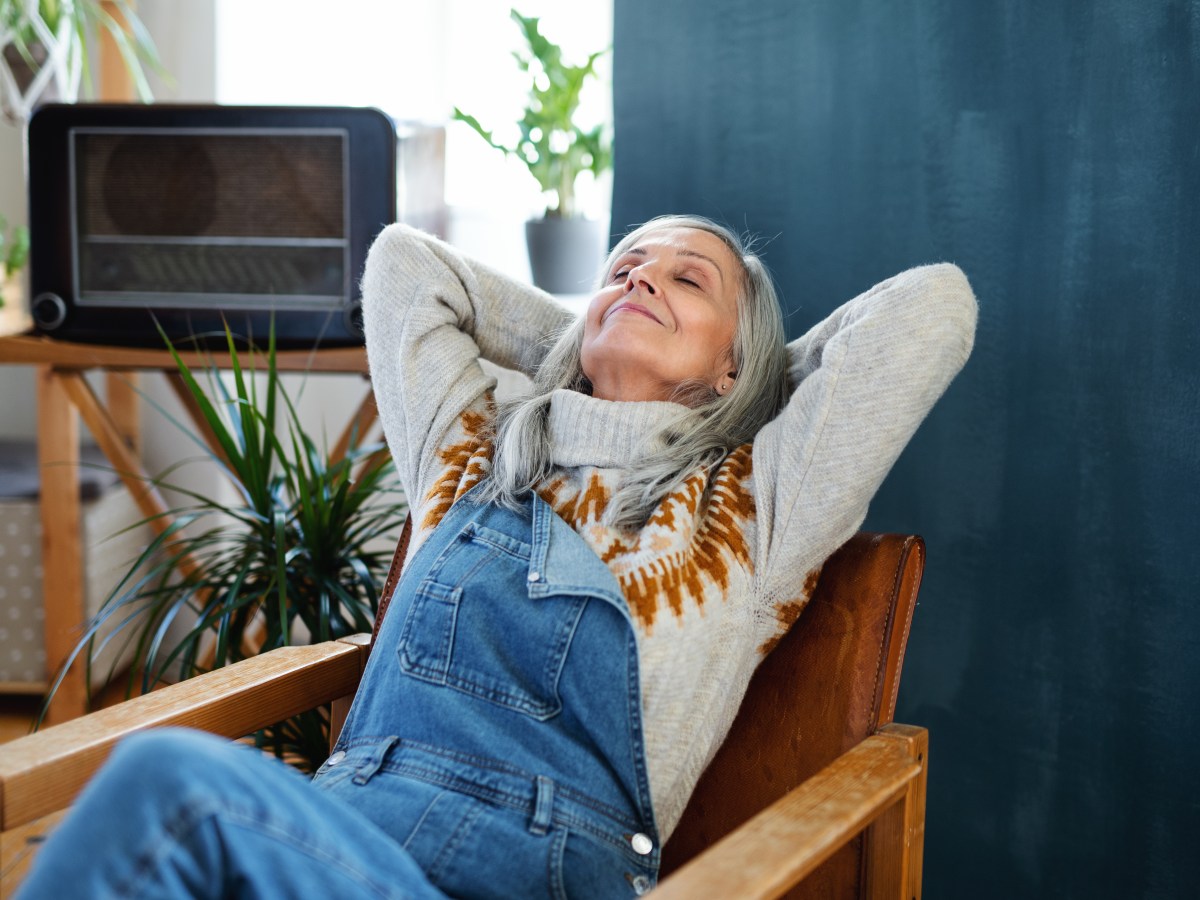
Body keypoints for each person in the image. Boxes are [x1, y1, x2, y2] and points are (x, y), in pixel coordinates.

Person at [15, 215, 976, 899]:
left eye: (688, 279)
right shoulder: (470, 449)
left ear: (739, 364)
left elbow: (934, 309)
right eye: (624, 267)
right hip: (337, 844)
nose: (640, 277)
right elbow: (405, 265)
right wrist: (599, 337)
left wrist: (754, 383)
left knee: (168, 789)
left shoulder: (750, 508)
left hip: (536, 876)